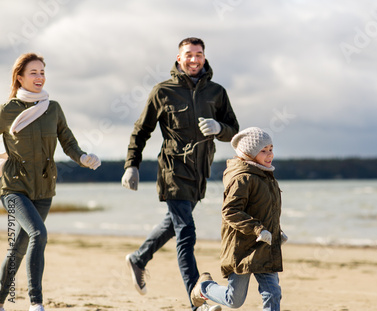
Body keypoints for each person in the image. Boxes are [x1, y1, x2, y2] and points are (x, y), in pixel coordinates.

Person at [121, 37, 239, 311]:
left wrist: (219, 128)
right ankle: (198, 302)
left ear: (204, 57)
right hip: (173, 170)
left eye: (198, 54)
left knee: (172, 224)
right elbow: (141, 131)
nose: (194, 59)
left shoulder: (217, 92)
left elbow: (234, 130)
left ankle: (139, 259)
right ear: (179, 58)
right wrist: (131, 164)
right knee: (186, 232)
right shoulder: (163, 91)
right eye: (188, 54)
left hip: (200, 172)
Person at [0, 53, 101, 311]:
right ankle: (36, 303)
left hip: (44, 188)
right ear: (19, 77)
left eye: (42, 72)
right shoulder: (6, 111)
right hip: (13, 187)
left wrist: (83, 157)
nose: (39, 77)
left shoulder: (52, 108)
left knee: (19, 247)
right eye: (33, 72)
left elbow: (67, 141)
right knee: (38, 234)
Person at [190, 127, 287, 311]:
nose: (269, 155)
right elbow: (230, 211)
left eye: (271, 149)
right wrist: (258, 229)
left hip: (265, 246)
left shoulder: (266, 176)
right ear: (249, 154)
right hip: (242, 248)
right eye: (263, 150)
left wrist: (276, 232)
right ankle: (203, 288)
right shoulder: (242, 178)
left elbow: (267, 210)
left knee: (272, 293)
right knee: (234, 300)